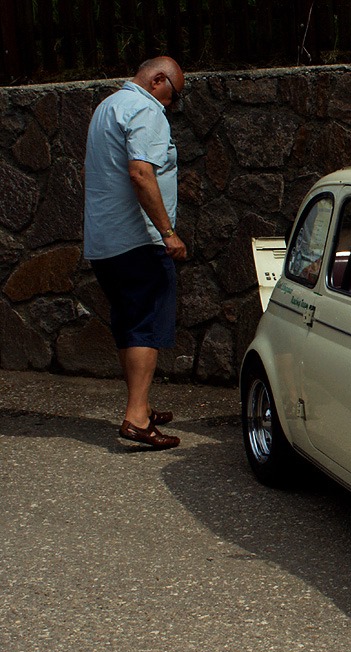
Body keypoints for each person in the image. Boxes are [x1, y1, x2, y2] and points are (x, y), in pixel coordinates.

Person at [83, 56, 188, 450]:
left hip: (104, 242)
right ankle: (137, 418)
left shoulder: (107, 107)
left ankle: (138, 404)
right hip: (138, 239)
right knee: (146, 323)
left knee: (128, 322)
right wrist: (168, 233)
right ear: (158, 80)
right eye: (173, 95)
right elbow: (140, 173)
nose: (171, 105)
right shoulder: (146, 110)